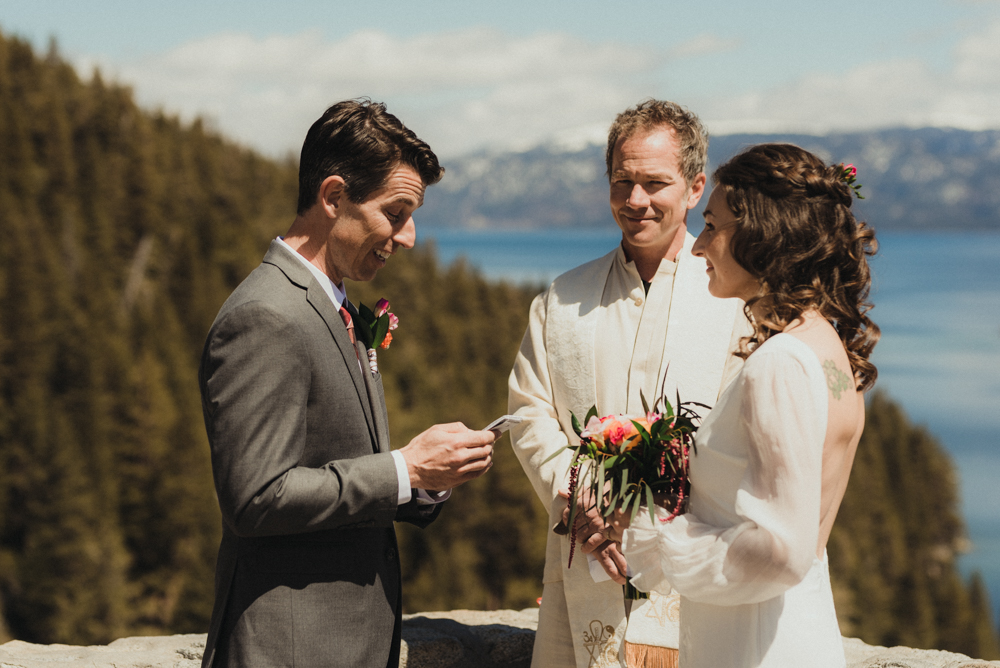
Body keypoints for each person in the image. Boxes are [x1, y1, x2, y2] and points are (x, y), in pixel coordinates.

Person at [198, 99, 496, 668]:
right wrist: (402, 469)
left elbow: (336, 464)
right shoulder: (266, 316)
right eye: (396, 212)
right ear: (333, 197)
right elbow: (256, 498)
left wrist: (424, 481)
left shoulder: (331, 305)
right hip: (289, 649)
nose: (407, 237)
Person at [576, 143, 880, 667]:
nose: (699, 248)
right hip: (795, 625)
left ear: (763, 233)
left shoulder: (781, 362)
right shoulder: (825, 344)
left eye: (712, 226)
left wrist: (653, 539)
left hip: (753, 645)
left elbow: (776, 551)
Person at [507, 99, 750, 668]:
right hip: (581, 555)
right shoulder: (562, 298)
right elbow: (528, 410)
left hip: (693, 568)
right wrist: (579, 499)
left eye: (654, 183)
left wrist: (651, 501)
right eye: (622, 182)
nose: (635, 200)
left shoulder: (735, 300)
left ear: (694, 188)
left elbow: (742, 428)